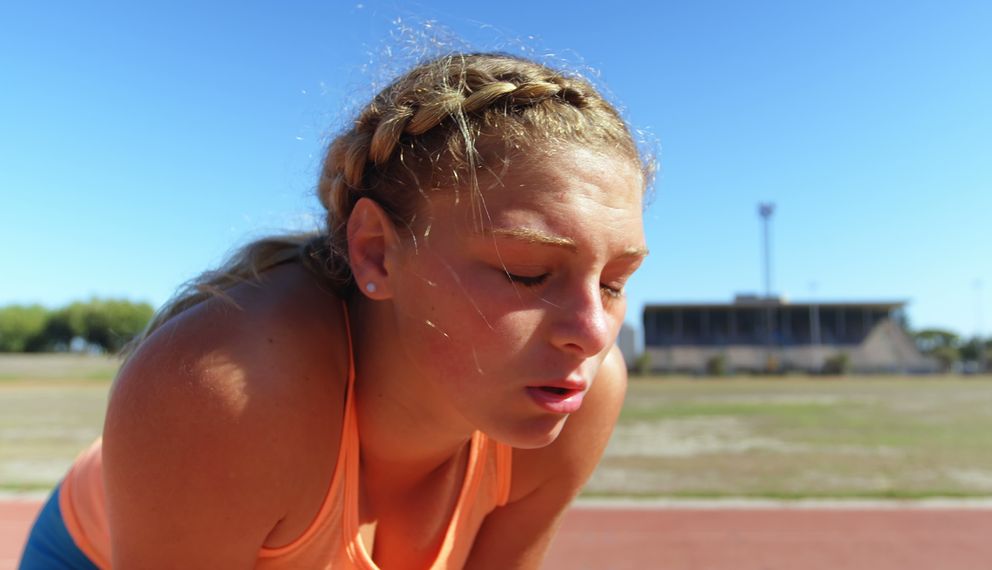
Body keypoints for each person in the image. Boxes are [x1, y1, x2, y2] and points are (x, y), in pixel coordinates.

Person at [20, 51, 650, 569]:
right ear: (376, 254)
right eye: (527, 272)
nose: (592, 333)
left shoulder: (583, 398)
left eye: (615, 284)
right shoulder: (224, 391)